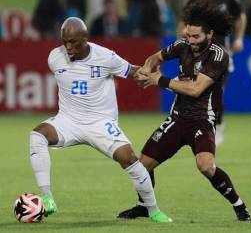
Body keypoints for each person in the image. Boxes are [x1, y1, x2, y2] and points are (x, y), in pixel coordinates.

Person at [117, 1, 251, 221]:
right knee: (143, 166)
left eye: (196, 37)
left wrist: (159, 80)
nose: (191, 41)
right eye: (188, 35)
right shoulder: (182, 45)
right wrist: (146, 69)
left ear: (210, 34)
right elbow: (155, 57)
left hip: (202, 120)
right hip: (177, 119)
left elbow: (196, 88)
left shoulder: (219, 56)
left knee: (206, 166)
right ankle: (143, 206)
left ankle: (239, 206)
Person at [29, 17, 172, 223]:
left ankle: (153, 210)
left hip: (100, 123)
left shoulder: (105, 57)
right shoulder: (54, 57)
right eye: (64, 42)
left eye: (73, 42)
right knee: (37, 135)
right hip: (68, 121)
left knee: (129, 158)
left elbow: (131, 71)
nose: (68, 47)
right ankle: (47, 198)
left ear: (85, 38)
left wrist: (151, 75)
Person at [181, 0, 247, 145]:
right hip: (198, 55)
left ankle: (218, 126)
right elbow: (183, 23)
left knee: (216, 91)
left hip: (222, 55)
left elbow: (240, 17)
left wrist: (239, 38)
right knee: (197, 93)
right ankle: (200, 128)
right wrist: (184, 34)